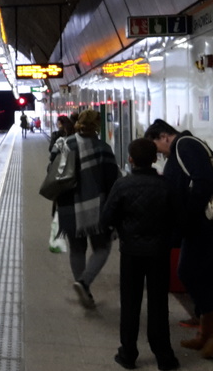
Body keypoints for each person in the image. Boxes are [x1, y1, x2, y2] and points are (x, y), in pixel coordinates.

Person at [144, 119, 213, 357]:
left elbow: (204, 180)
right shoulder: (181, 149)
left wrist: (188, 214)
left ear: (164, 136)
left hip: (206, 224)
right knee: (195, 273)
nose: (160, 154)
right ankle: (207, 333)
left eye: (157, 147)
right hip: (199, 225)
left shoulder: (186, 146)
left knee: (192, 272)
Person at [101, 139, 179, 370]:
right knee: (158, 303)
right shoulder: (167, 185)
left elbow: (106, 218)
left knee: (130, 303)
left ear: (130, 159)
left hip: (131, 252)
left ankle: (128, 354)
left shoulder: (122, 186)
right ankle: (164, 356)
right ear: (156, 159)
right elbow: (179, 218)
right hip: (159, 253)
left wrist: (124, 229)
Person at [54, 109, 119, 308]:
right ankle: (84, 282)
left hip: (68, 206)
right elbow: (112, 182)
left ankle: (85, 289)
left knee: (77, 248)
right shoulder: (103, 148)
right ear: (97, 127)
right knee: (102, 247)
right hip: (97, 208)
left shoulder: (64, 145)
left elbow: (53, 173)